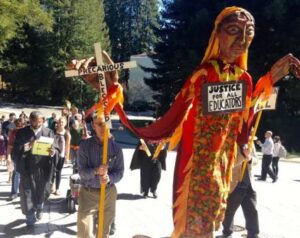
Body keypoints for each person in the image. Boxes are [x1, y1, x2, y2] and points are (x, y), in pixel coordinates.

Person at [69, 7, 300, 237]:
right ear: (217, 34)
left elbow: (245, 118)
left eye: (248, 33)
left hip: (222, 171)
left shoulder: (245, 79)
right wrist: (112, 94)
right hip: (196, 169)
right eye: (233, 30)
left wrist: (270, 79)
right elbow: (171, 119)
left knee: (209, 224)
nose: (242, 40)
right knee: (193, 226)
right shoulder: (204, 74)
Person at [77, 114, 124, 238]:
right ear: (93, 125)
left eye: (105, 124)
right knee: (84, 232)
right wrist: (96, 171)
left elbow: (119, 172)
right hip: (88, 194)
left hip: (108, 194)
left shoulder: (116, 148)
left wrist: (110, 178)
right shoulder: (85, 146)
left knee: (103, 232)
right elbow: (81, 172)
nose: (103, 128)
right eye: (99, 124)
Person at [12, 111, 58, 229]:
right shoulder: (22, 133)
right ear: (30, 120)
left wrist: (53, 152)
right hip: (27, 168)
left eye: (40, 121)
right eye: (35, 121)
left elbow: (56, 148)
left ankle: (40, 208)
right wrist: (28, 145)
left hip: (43, 168)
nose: (38, 123)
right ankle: (30, 220)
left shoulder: (49, 132)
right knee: (27, 193)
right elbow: (16, 150)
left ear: (43, 121)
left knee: (42, 191)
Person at [222, 146, 259, 238]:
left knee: (252, 210)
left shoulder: (250, 143)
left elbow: (256, 160)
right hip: (235, 183)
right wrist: (243, 156)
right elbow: (227, 162)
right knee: (229, 210)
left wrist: (250, 159)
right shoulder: (232, 141)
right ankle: (227, 232)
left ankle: (253, 234)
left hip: (249, 184)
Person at [51, 116, 70, 195]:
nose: (60, 123)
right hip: (52, 155)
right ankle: (51, 186)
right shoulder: (53, 132)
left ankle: (57, 188)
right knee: (51, 171)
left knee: (58, 172)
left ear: (65, 124)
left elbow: (67, 146)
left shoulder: (66, 134)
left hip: (61, 155)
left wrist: (66, 157)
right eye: (59, 122)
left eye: (62, 122)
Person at [7, 118, 25, 200]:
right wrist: (8, 156)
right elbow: (10, 146)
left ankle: (23, 192)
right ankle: (14, 193)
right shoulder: (12, 133)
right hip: (15, 155)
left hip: (26, 155)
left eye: (20, 125)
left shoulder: (27, 132)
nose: (19, 127)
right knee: (16, 174)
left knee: (25, 175)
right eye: (17, 125)